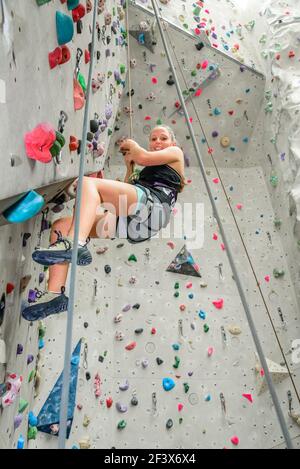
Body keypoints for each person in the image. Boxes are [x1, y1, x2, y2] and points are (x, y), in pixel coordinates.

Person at [22, 126, 185, 321]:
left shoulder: (176, 153)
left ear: (172, 143)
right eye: (153, 138)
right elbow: (128, 191)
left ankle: (77, 243)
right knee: (61, 227)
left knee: (89, 184)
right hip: (135, 223)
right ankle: (55, 296)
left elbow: (143, 157)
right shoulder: (149, 169)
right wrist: (129, 167)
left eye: (163, 138)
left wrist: (133, 147)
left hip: (154, 208)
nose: (157, 141)